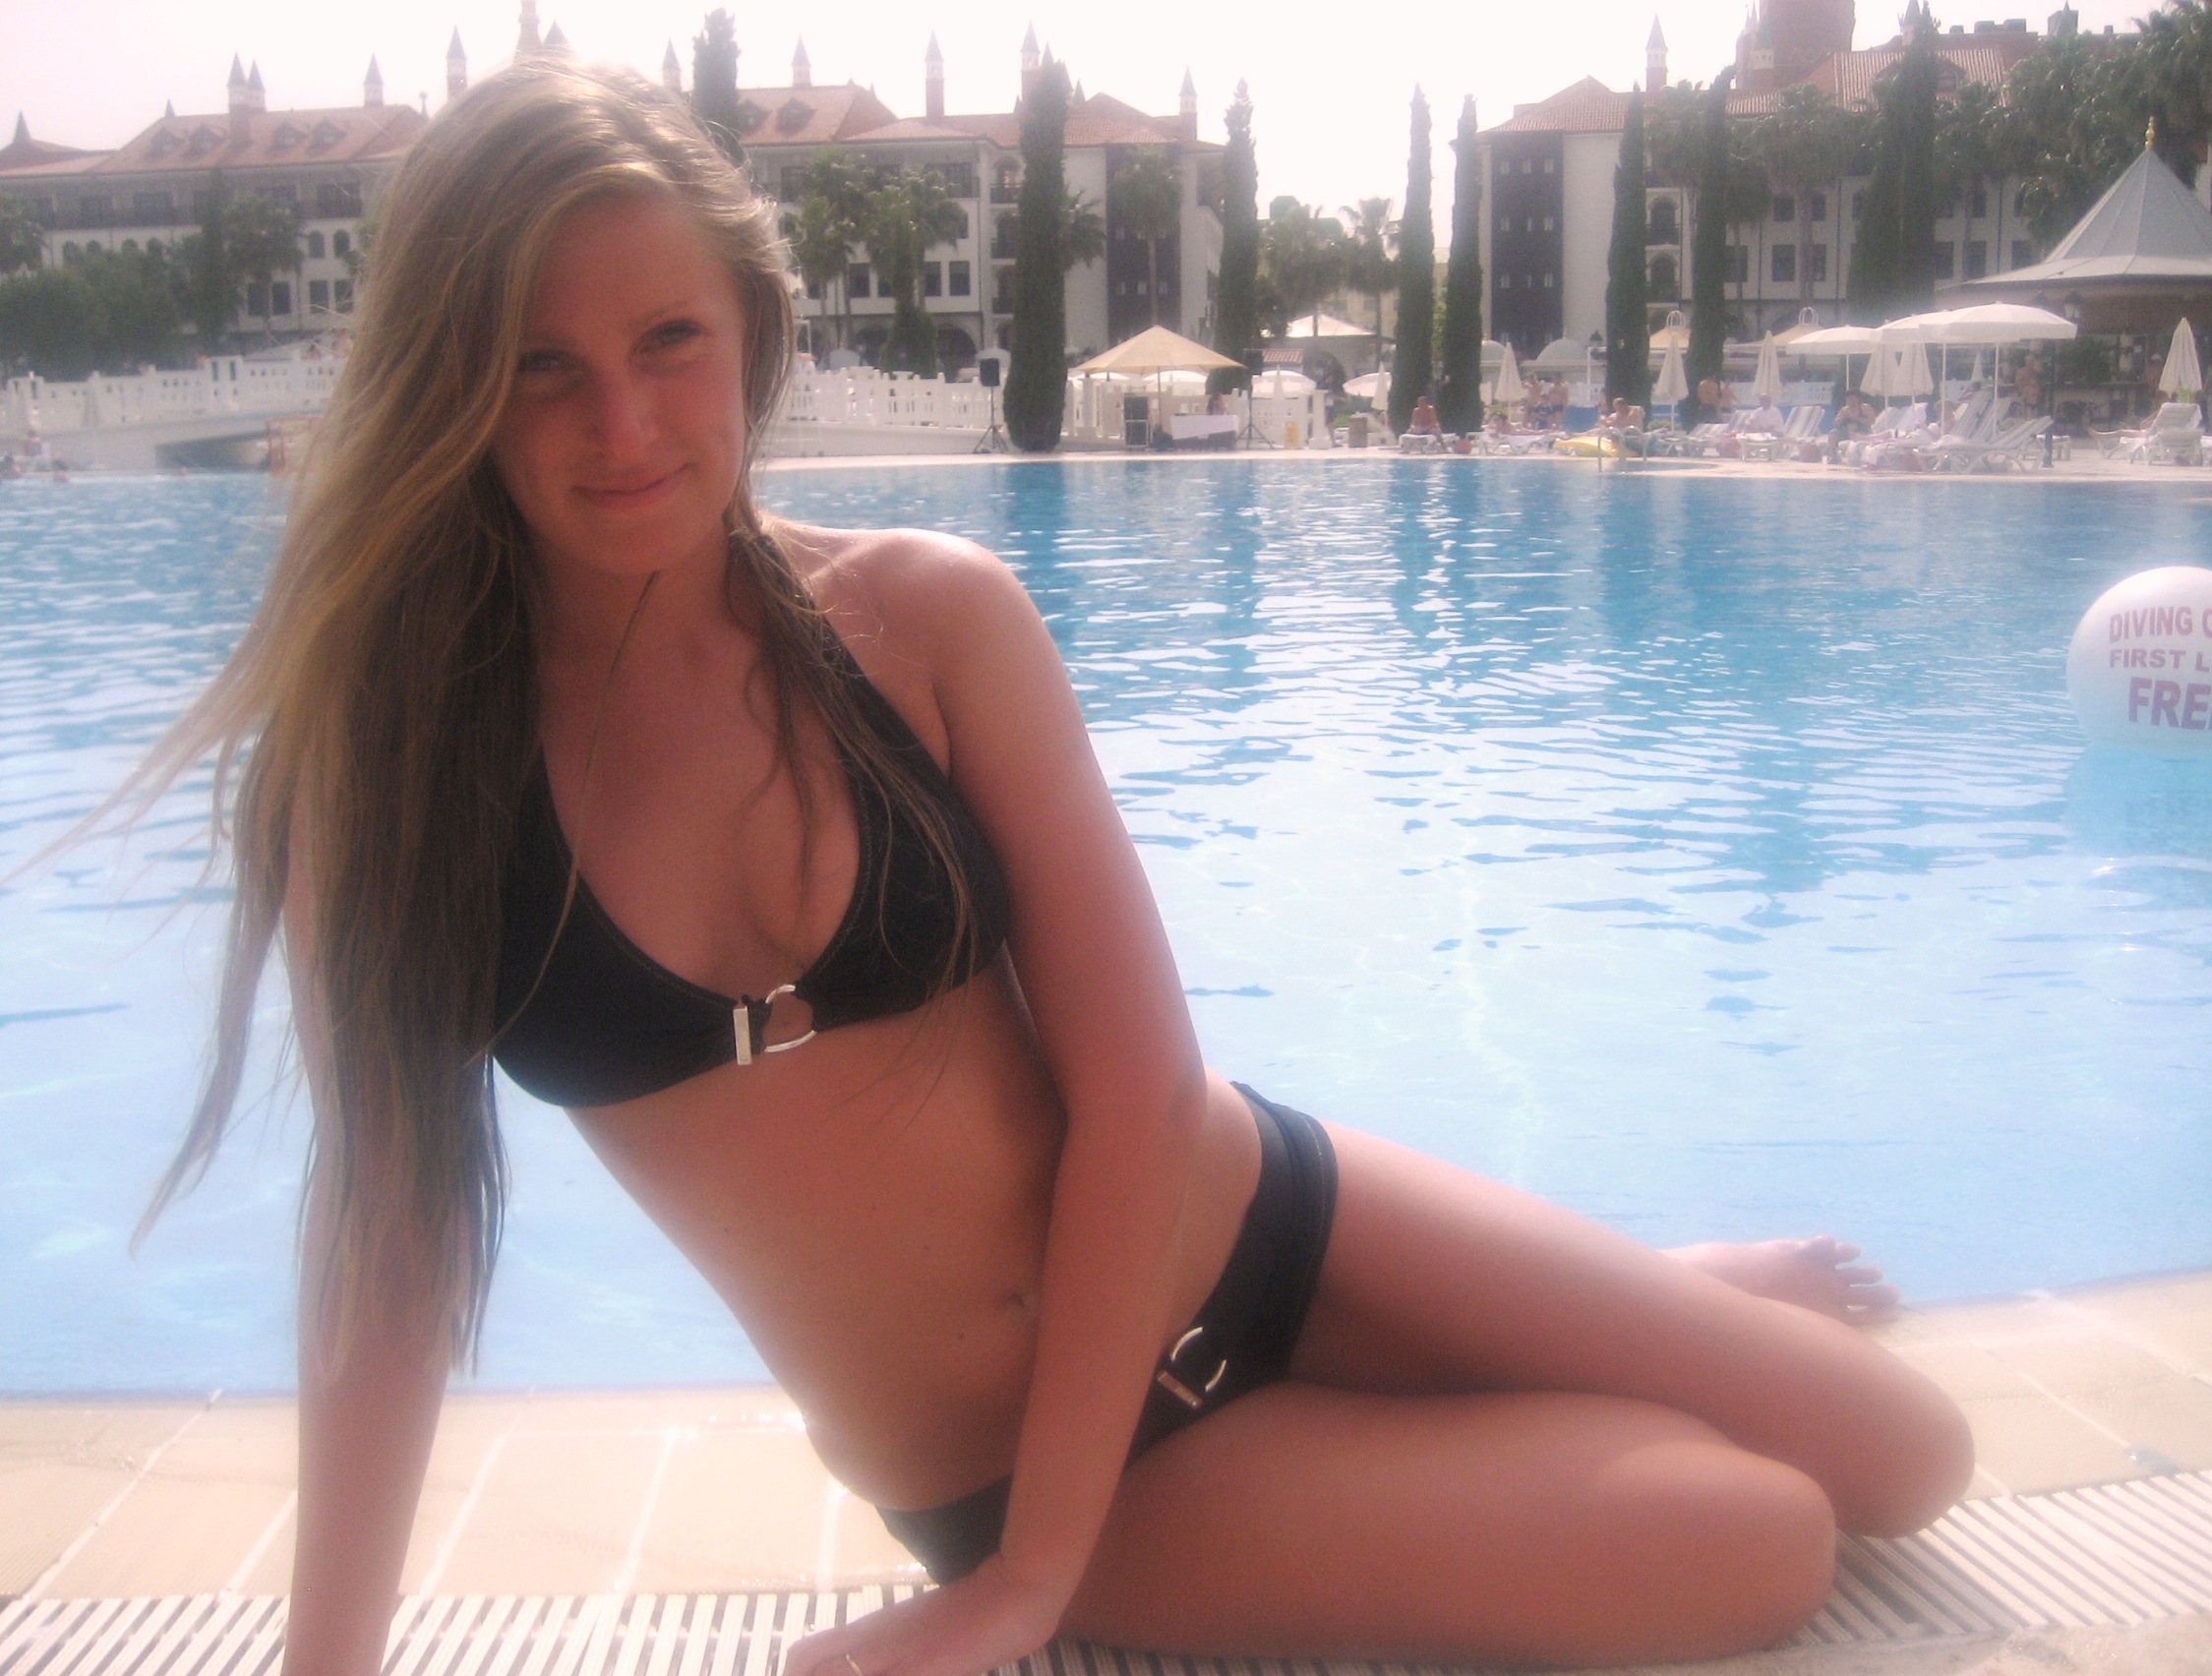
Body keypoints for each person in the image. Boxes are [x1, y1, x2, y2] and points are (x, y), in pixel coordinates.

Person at [121, 63, 1969, 1676]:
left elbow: (1141, 1090)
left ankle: (1647, 1297)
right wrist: (1026, 1567)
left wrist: (1030, 1594)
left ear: (749, 329)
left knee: (1911, 1455)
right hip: (1043, 1467)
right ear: (451, 384)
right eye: (543, 370)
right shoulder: (401, 788)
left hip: (1255, 1215)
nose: (624, 425)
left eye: (667, 340)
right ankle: (1615, 1323)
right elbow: (387, 1248)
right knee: (1762, 1542)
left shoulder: (925, 622)